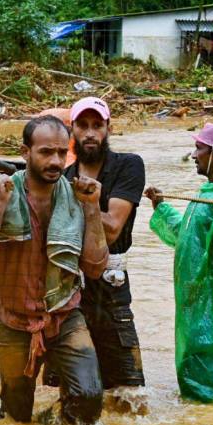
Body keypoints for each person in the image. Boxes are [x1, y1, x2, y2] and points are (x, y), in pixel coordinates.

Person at [0, 115, 109, 425]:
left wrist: (93, 208)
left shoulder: (78, 198)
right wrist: (0, 206)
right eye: (45, 152)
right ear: (25, 152)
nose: (55, 161)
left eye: (61, 152)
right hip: (14, 319)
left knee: (90, 398)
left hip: (64, 314)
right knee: (16, 415)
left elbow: (95, 268)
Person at [52, 98, 147, 398]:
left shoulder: (128, 165)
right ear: (72, 131)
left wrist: (87, 204)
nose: (90, 133)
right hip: (69, 291)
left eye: (97, 125)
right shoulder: (62, 178)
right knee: (64, 392)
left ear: (109, 129)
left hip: (112, 290)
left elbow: (112, 227)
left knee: (129, 395)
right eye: (83, 126)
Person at [145, 123, 213, 402]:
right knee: (199, 372)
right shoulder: (209, 194)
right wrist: (161, 206)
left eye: (199, 148)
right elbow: (188, 241)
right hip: (197, 303)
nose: (194, 154)